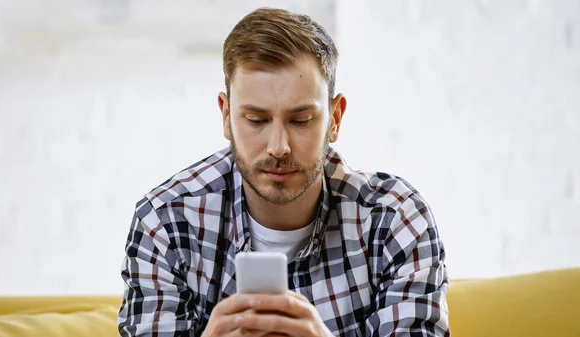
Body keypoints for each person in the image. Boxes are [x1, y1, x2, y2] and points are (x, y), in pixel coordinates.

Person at [118, 7, 450, 337]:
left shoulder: (394, 220)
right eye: (256, 120)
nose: (279, 147)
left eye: (300, 120)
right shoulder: (165, 223)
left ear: (334, 119)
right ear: (226, 116)